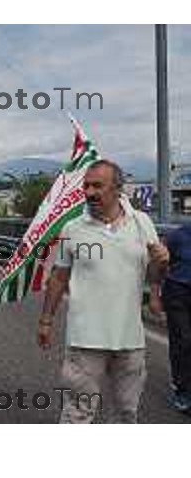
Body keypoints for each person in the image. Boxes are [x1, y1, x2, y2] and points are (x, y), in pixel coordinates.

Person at [38, 159, 169, 423]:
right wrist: (45, 320)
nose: (89, 192)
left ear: (117, 189)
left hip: (130, 339)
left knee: (127, 413)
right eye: (86, 186)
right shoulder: (72, 229)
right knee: (77, 414)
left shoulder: (142, 223)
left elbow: (154, 275)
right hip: (85, 341)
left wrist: (161, 263)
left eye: (97, 186)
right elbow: (59, 277)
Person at [149, 224, 191, 414]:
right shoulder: (177, 236)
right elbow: (158, 265)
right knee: (183, 341)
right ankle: (182, 390)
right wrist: (154, 296)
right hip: (177, 294)